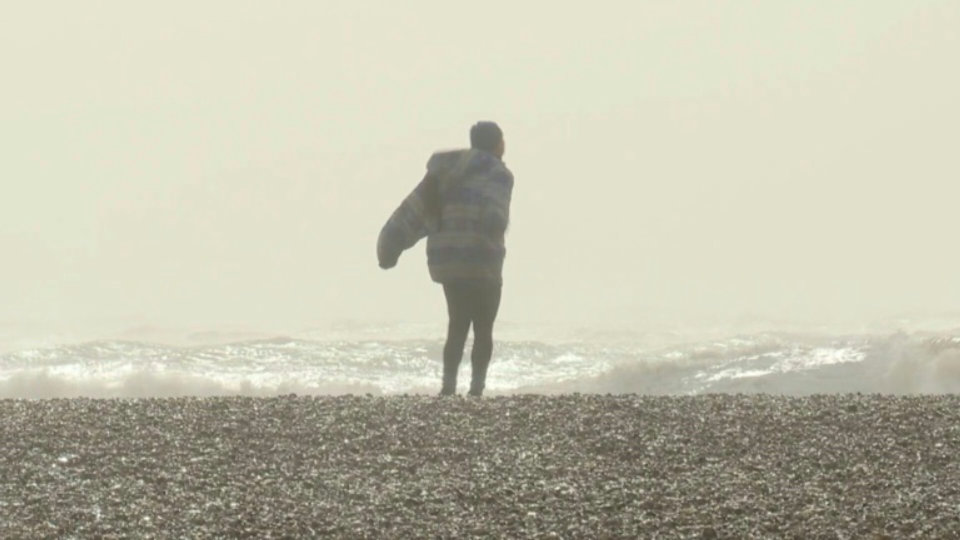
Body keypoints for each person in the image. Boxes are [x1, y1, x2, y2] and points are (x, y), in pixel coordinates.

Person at [377, 122, 514, 396]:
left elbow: (413, 210)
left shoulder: (444, 173)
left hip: (449, 260)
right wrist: (493, 223)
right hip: (483, 260)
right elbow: (495, 214)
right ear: (496, 144)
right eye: (502, 139)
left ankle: (448, 388)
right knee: (484, 327)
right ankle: (476, 390)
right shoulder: (499, 174)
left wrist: (390, 247)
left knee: (457, 324)